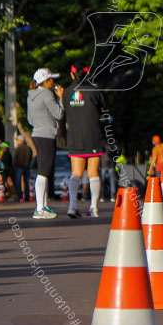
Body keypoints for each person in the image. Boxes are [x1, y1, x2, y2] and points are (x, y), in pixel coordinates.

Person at [63, 62, 107, 218]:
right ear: (89, 74)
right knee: (93, 172)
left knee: (75, 173)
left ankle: (72, 206)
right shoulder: (95, 92)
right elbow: (105, 113)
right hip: (94, 137)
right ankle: (93, 207)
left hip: (74, 137)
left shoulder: (67, 93)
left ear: (71, 74)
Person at [27, 68, 64, 219]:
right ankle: (40, 208)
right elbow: (59, 114)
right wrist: (60, 98)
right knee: (44, 172)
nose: (53, 82)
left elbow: (30, 119)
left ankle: (44, 205)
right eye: (51, 79)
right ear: (46, 81)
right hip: (47, 135)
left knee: (44, 171)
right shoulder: (47, 94)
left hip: (36, 133)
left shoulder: (31, 95)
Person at [13, 136, 33, 202]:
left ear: (21, 141)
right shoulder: (28, 148)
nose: (17, 141)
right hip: (27, 167)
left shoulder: (18, 148)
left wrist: (15, 164)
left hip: (19, 167)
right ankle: (27, 196)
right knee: (26, 182)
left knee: (18, 182)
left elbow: (15, 157)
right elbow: (31, 157)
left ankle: (19, 196)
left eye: (18, 140)